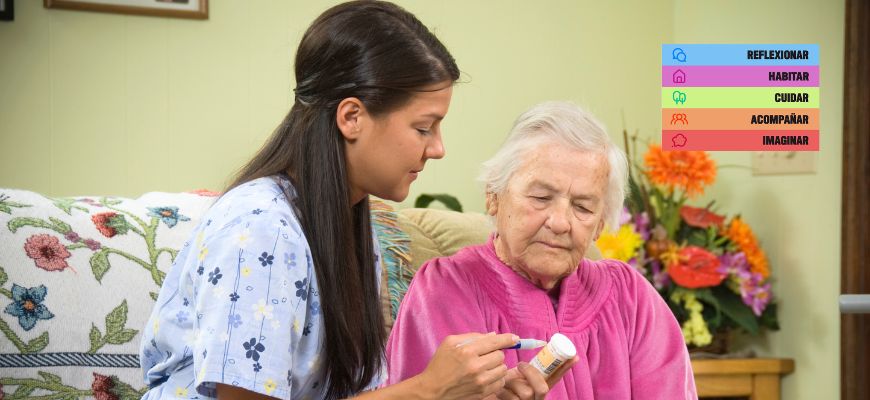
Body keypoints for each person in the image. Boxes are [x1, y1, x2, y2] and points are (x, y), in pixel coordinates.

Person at [139, 1, 522, 399]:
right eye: (424, 128)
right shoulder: (260, 229)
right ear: (352, 117)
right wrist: (428, 389)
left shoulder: (353, 228)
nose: (438, 148)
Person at [386, 101, 699, 399]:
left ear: (600, 225)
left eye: (583, 207)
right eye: (540, 197)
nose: (561, 223)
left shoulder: (631, 298)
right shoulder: (446, 288)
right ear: (493, 196)